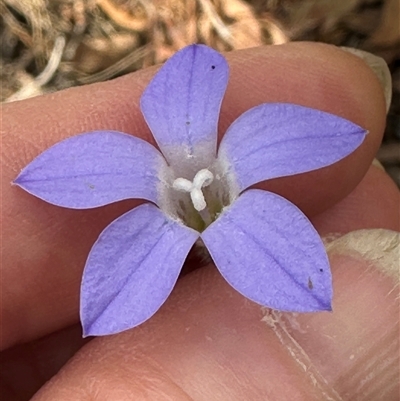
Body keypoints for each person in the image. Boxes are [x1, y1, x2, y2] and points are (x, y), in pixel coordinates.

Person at [1, 42, 399, 400]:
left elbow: (322, 140)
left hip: (243, 222)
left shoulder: (244, 179)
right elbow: (110, 298)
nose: (199, 194)